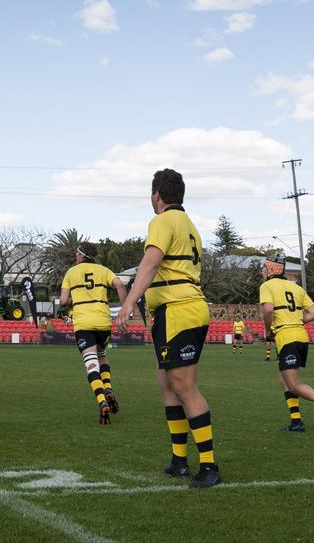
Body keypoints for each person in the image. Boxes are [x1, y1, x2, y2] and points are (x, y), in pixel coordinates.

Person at [118, 169, 220, 489]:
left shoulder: (162, 221)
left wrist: (128, 302)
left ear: (157, 196)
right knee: (167, 384)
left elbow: (150, 263)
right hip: (179, 311)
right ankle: (179, 460)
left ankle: (209, 466)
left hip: (179, 310)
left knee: (184, 386)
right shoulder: (190, 226)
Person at [258, 255, 314, 432]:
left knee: (294, 384)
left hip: (286, 337)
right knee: (284, 379)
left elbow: (267, 309)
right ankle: (296, 421)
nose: (262, 271)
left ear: (271, 269)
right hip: (301, 336)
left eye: (264, 268)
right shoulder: (295, 288)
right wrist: (296, 320)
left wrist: (268, 330)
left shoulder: (266, 286)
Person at [59, 242, 128, 423]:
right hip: (103, 321)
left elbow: (63, 300)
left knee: (91, 363)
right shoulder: (103, 270)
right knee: (102, 356)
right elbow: (119, 284)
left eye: (77, 252)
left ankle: (102, 401)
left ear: (81, 255)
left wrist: (73, 297)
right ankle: (109, 388)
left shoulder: (71, 273)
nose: (75, 255)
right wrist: (126, 308)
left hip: (83, 322)